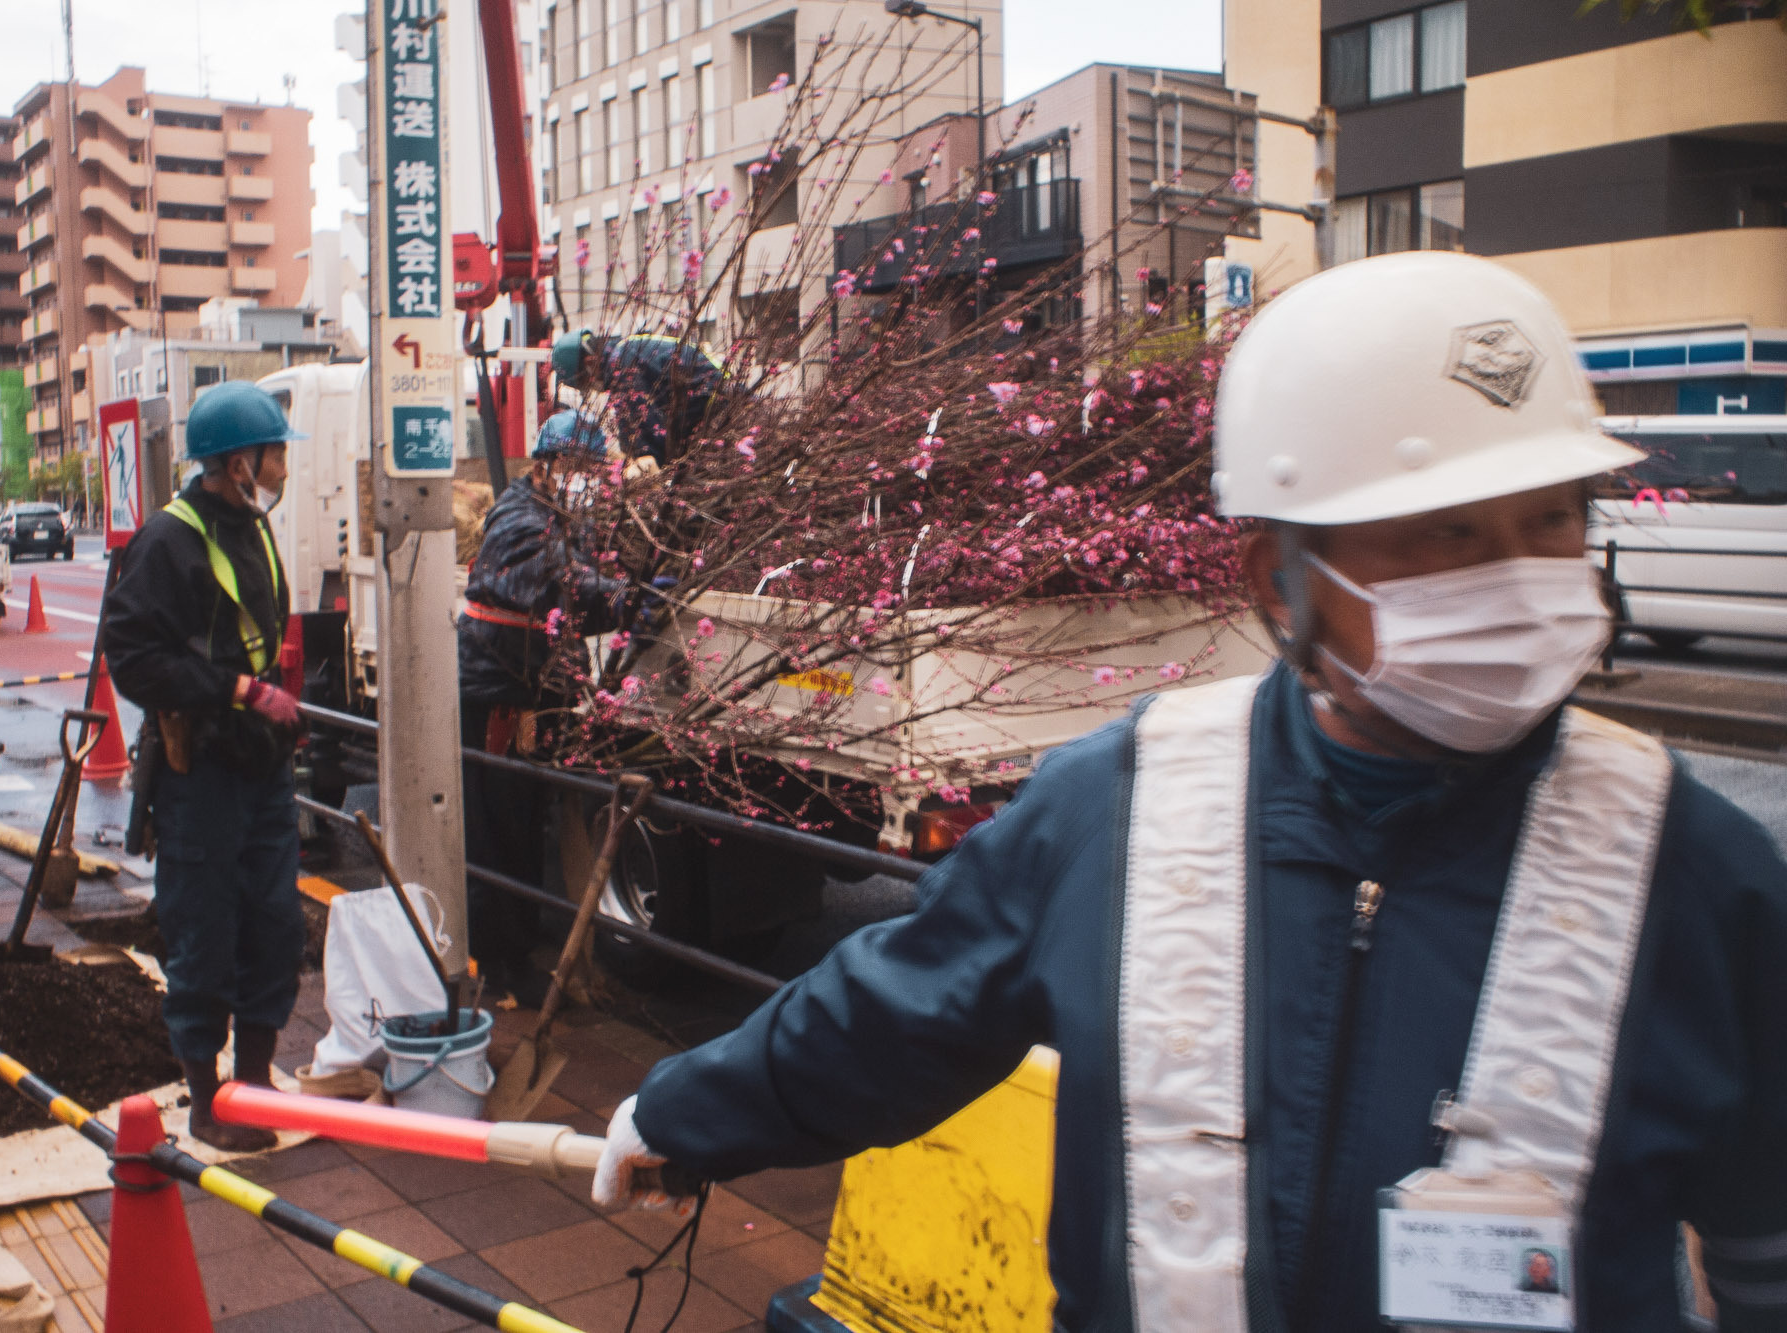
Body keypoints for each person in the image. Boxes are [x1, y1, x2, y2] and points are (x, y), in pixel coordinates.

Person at [591, 253, 1787, 1331]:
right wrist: (682, 1115)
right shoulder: (1119, 807)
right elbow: (898, 1010)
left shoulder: (1692, 868)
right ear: (1280, 576)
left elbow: (1766, 1233)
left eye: (1550, 522)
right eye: (1442, 533)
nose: (1515, 580)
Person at [105, 380, 305, 1153]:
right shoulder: (170, 539)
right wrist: (238, 690)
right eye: (274, 452)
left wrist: (279, 709)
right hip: (201, 775)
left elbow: (254, 633)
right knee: (204, 931)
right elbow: (133, 658)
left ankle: (253, 1085)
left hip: (261, 768)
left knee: (275, 925)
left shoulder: (252, 527)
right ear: (236, 461)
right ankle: (204, 1097)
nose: (282, 467)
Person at [457, 409, 630, 974]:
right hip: (498, 693)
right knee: (498, 836)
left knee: (524, 825)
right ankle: (499, 966)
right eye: (575, 467)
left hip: (531, 689)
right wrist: (625, 599)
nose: (585, 479)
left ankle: (517, 950)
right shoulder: (520, 520)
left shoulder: (558, 516)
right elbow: (561, 583)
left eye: (592, 469)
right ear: (543, 465)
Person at [551, 330, 724, 467]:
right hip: (720, 398)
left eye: (583, 383)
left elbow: (646, 438)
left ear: (590, 363)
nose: (590, 389)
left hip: (718, 407)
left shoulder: (624, 370)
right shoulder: (627, 349)